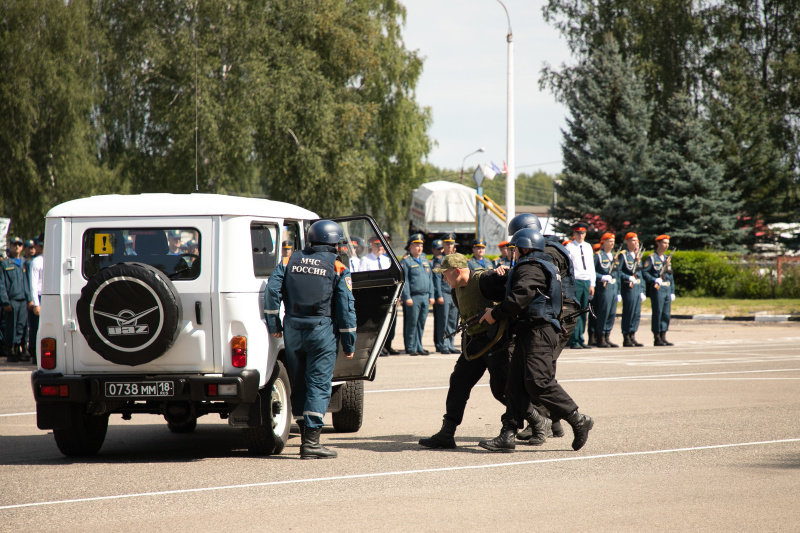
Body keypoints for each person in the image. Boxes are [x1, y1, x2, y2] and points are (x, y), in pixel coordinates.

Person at [477, 228, 594, 453]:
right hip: (527, 329)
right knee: (515, 385)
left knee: (538, 380)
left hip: (538, 330)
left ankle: (578, 418)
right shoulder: (538, 264)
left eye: (515, 248)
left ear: (524, 247)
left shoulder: (531, 266)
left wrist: (494, 313)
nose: (513, 253)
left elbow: (519, 298)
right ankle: (507, 434)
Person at [264, 220, 357, 459]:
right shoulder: (337, 268)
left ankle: (305, 433)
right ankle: (311, 443)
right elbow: (346, 309)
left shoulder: (288, 261)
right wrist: (349, 344)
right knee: (318, 383)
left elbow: (272, 292)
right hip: (321, 331)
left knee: (298, 382)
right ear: (332, 243)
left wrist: (275, 324)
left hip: (293, 328)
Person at [419, 253, 511, 448]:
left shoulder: (485, 280)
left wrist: (507, 272)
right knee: (458, 381)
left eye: (445, 273)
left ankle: (538, 419)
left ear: (457, 271)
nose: (443, 277)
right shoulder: (456, 289)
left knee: (502, 389)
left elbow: (515, 294)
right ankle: (447, 432)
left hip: (498, 341)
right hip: (476, 343)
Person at [400, 233, 434, 355]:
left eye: (421, 245)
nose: (419, 248)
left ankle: (419, 346)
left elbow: (430, 279)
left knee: (421, 323)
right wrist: (407, 297)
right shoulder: (406, 261)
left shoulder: (425, 260)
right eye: (416, 245)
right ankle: (411, 347)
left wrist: (431, 295)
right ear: (410, 246)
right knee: (412, 323)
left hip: (425, 296)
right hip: (413, 297)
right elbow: (405, 281)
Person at [1, 236, 32, 362]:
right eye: (14, 245)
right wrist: (5, 301)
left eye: (19, 245)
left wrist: (30, 299)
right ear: (11, 246)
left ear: (22, 247)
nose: (17, 247)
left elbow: (29, 283)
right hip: (12, 300)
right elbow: (1, 284)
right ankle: (11, 349)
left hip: (23, 299)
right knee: (11, 326)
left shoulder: (25, 263)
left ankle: (22, 348)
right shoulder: (6, 264)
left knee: (22, 326)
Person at [565, 222, 596, 349]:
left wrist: (592, 283)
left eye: (582, 233)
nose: (580, 235)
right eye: (578, 233)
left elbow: (591, 266)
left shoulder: (588, 247)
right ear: (574, 233)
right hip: (576, 280)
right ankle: (574, 340)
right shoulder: (569, 247)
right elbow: (568, 267)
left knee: (584, 311)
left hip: (586, 281)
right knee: (575, 311)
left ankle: (581, 338)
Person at [641, 234, 676, 346]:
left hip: (666, 288)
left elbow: (670, 276)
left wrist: (672, 291)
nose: (666, 245)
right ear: (658, 243)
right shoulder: (652, 258)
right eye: (664, 243)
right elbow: (645, 272)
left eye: (667, 243)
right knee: (658, 313)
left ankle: (663, 335)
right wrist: (654, 279)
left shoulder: (667, 259)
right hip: (658, 289)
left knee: (666, 313)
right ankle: (657, 337)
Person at [593, 233, 621, 348]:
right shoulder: (599, 256)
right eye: (609, 241)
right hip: (604, 288)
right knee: (604, 312)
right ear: (603, 242)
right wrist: (601, 277)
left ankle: (607, 336)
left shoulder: (615, 256)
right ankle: (600, 337)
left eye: (613, 241)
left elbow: (617, 275)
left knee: (611, 313)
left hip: (613, 287)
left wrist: (618, 291)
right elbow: (592, 272)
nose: (612, 243)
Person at [618, 232, 645, 347]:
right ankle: (626, 337)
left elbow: (641, 274)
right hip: (629, 287)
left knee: (636, 313)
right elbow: (618, 271)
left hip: (637, 287)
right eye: (633, 240)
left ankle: (633, 334)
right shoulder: (623, 255)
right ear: (627, 242)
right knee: (629, 311)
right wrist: (627, 277)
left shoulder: (638, 256)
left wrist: (643, 290)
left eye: (637, 240)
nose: (636, 242)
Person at [27, 234, 44, 365]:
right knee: (36, 327)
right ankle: (35, 354)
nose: (42, 247)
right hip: (39, 295)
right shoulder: (37, 261)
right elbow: (33, 284)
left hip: (49, 295)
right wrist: (36, 303)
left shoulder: (53, 258)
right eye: (40, 245)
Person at [430, 239, 447, 353]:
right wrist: (437, 295)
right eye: (438, 249)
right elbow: (435, 281)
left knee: (448, 321)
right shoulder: (435, 262)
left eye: (441, 249)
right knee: (441, 321)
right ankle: (440, 344)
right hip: (440, 294)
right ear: (433, 250)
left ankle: (445, 344)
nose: (440, 251)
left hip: (447, 293)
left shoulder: (443, 260)